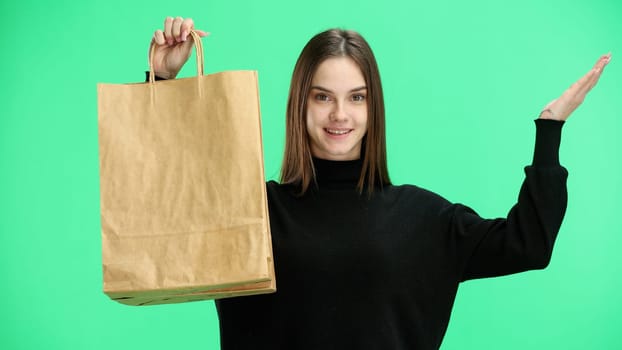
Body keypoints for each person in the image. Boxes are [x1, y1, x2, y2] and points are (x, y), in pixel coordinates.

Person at [147, 16, 610, 349]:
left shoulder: (424, 218)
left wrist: (549, 129)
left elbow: (528, 244)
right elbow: (164, 211)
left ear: (374, 109)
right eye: (322, 97)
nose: (340, 115)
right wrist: (161, 82)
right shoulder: (249, 212)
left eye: (357, 98)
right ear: (299, 106)